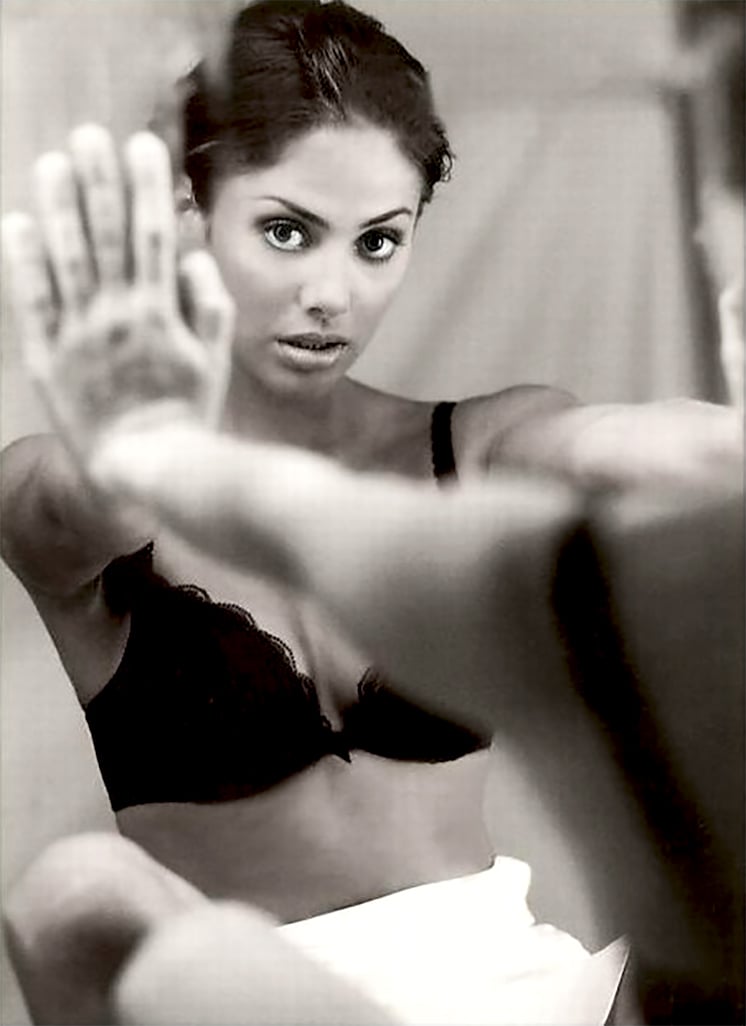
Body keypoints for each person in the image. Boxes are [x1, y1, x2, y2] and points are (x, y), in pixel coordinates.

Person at [1, 1, 741, 1023]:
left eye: (377, 243)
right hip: (255, 998)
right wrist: (139, 445)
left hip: (542, 994)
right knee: (73, 891)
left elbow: (616, 444)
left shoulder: (480, 443)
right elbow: (85, 509)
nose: (332, 292)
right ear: (185, 213)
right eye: (287, 232)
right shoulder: (58, 486)